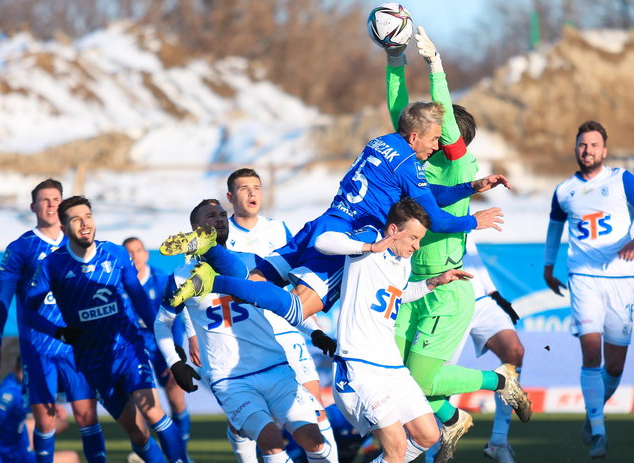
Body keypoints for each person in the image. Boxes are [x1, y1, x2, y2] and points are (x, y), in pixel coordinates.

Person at [159, 101, 512, 324]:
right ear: (416, 135)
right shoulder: (409, 164)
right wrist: (473, 222)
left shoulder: (383, 143)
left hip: (326, 219)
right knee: (297, 310)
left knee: (257, 278)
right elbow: (433, 218)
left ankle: (212, 250)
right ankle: (213, 279)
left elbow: (422, 192)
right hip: (353, 234)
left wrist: (470, 187)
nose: (436, 146)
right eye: (434, 139)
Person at [154, 199, 369, 463]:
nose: (220, 219)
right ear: (195, 229)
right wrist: (175, 362)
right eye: (210, 216)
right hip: (230, 379)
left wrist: (313, 332)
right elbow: (162, 324)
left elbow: (279, 306)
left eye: (222, 214)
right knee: (271, 440)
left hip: (276, 368)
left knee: (314, 440)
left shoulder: (251, 264)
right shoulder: (180, 277)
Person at [375, 27, 529, 463]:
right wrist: (394, 58)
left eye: (434, 129)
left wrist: (438, 68)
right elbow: (400, 109)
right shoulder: (413, 158)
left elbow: (435, 113)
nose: (424, 132)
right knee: (395, 378)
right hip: (406, 283)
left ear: (446, 137)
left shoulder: (458, 164)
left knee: (419, 382)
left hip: (447, 285)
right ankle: (453, 419)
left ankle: (501, 383)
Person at [25, 195, 203, 463]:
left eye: (88, 216)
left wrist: (165, 344)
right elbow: (29, 311)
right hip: (92, 363)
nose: (85, 223)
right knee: (137, 433)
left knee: (155, 414)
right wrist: (59, 333)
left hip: (128, 349)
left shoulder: (116, 254)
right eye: (77, 219)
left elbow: (140, 301)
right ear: (64, 227)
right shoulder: (53, 266)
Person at [320, 198, 471, 463]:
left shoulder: (402, 264)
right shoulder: (367, 248)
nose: (417, 246)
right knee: (395, 443)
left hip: (391, 366)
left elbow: (399, 297)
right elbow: (323, 241)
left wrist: (435, 282)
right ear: (393, 231)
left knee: (428, 434)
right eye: (413, 239)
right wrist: (369, 245)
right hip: (359, 367)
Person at [0, 178, 117, 463]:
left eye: (56, 199)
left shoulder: (83, 245)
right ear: (33, 207)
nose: (51, 204)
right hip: (38, 348)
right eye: (44, 200)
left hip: (76, 349)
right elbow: (3, 299)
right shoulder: (21, 248)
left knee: (87, 416)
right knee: (45, 421)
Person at [222, 168, 341, 463]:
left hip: (288, 331)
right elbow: (195, 292)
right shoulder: (218, 236)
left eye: (256, 187)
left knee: (316, 412)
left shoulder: (280, 230)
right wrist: (195, 337)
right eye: (243, 189)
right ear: (231, 197)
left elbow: (298, 282)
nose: (251, 194)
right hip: (243, 341)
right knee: (250, 422)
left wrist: (315, 329)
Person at [543, 120, 634, 459]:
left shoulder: (622, 179)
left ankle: (593, 410)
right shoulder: (564, 190)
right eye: (582, 145)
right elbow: (554, 231)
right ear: (576, 149)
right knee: (591, 353)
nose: (587, 150)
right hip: (582, 278)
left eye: (594, 145)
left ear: (604, 150)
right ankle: (599, 431)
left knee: (614, 367)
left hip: (623, 279)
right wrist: (548, 267)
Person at [418, 236, 528, 463]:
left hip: (479, 300)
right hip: (446, 301)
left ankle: (499, 440)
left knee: (514, 354)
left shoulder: (461, 204)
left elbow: (472, 251)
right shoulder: (427, 205)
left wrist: (493, 293)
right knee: (437, 386)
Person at [122, 237, 194, 463]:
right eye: (129, 252)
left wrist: (176, 349)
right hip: (134, 344)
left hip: (160, 341)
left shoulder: (162, 279)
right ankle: (145, 449)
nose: (134, 256)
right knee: (140, 397)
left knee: (175, 394)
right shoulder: (119, 282)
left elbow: (176, 319)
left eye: (138, 251)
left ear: (145, 253)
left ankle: (181, 452)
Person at [0, 355, 81, 463]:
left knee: (62, 423)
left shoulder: (20, 383)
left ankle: (34, 443)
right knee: (73, 459)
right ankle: (31, 455)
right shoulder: (9, 394)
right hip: (14, 456)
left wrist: (53, 407)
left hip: (19, 434)